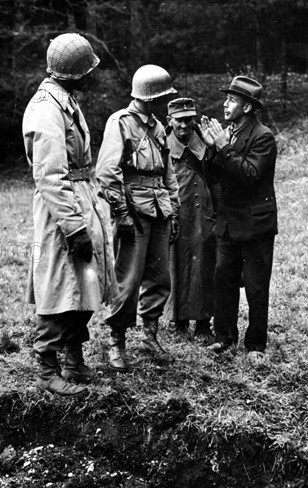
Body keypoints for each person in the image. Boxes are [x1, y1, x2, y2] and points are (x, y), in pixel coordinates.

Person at [22, 33, 115, 396]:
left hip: (80, 199)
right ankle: (47, 367)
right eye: (88, 70)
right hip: (60, 210)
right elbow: (49, 176)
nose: (92, 76)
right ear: (74, 74)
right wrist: (74, 227)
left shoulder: (66, 101)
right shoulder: (46, 108)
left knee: (88, 280)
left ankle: (74, 360)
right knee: (59, 287)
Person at [96, 64, 180, 373]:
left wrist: (175, 210)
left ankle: (150, 336)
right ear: (150, 97)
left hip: (160, 210)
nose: (165, 102)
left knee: (160, 278)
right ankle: (116, 342)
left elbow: (168, 173)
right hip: (133, 212)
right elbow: (107, 173)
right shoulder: (121, 123)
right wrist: (121, 213)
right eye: (163, 97)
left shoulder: (158, 128)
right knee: (127, 279)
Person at [200, 76, 278, 366]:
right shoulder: (227, 134)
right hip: (229, 223)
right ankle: (224, 338)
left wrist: (222, 148)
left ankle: (256, 344)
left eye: (231, 99)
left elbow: (249, 176)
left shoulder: (263, 137)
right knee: (224, 280)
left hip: (256, 224)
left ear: (246, 107)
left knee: (257, 286)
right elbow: (212, 177)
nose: (225, 103)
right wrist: (211, 149)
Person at [164, 97, 218, 342]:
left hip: (204, 215)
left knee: (204, 266)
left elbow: (218, 172)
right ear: (169, 121)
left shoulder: (205, 140)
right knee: (177, 265)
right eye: (179, 121)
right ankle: (178, 319)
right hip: (177, 214)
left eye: (189, 120)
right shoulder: (162, 143)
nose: (185, 126)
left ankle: (204, 322)